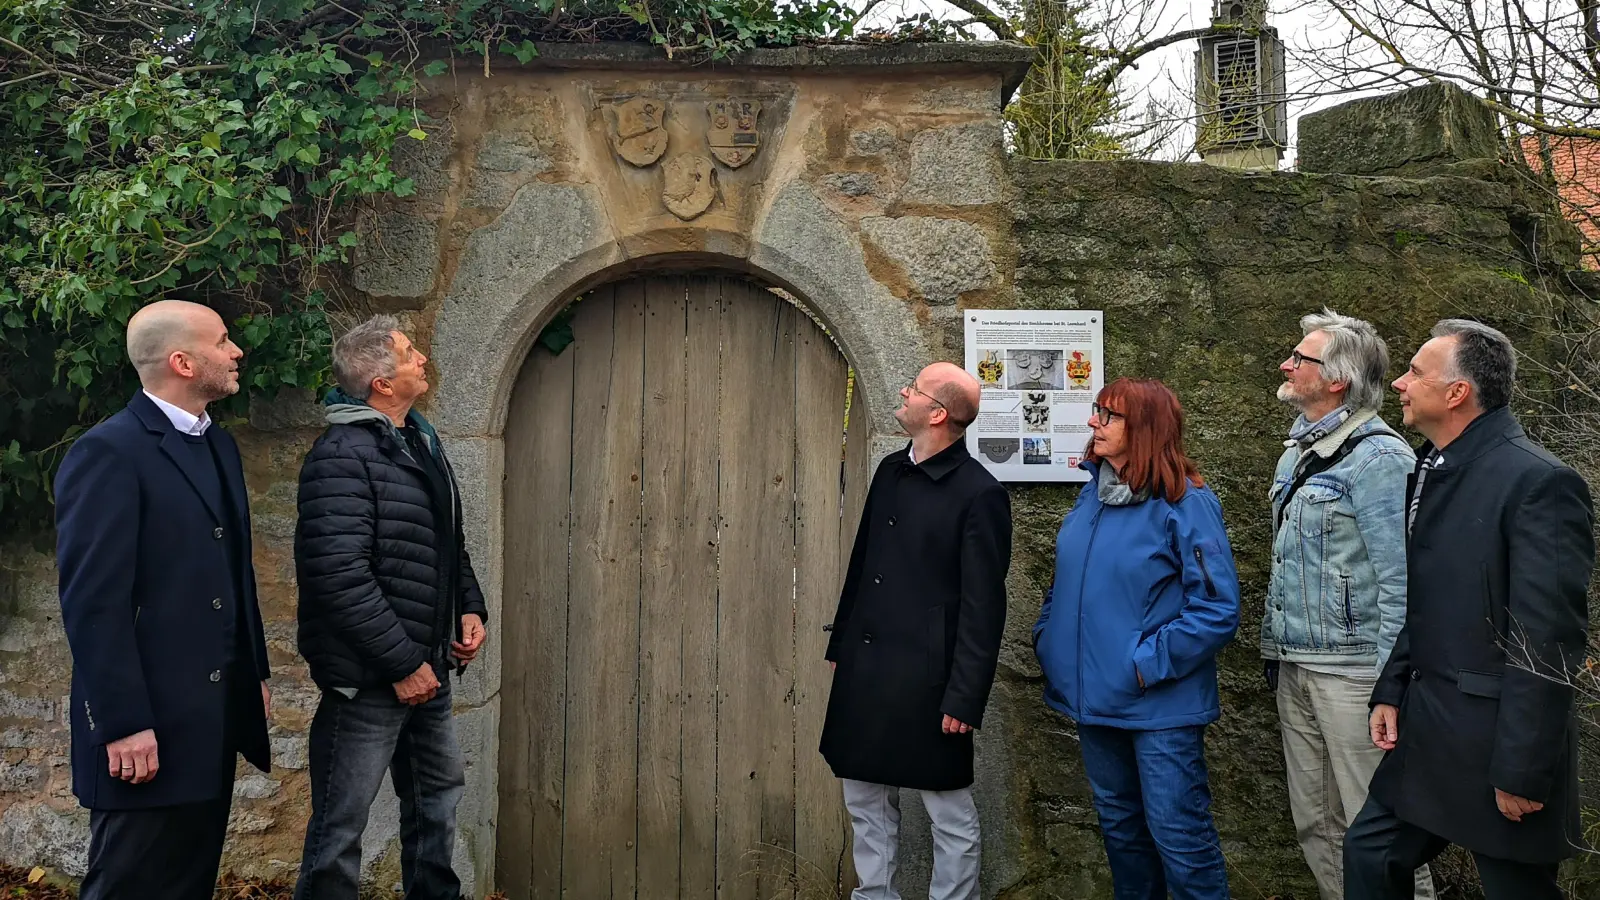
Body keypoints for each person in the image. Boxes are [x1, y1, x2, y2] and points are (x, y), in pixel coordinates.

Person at [1344, 320, 1594, 900]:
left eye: (1414, 372)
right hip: (1429, 730)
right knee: (1371, 854)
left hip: (1497, 742)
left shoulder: (1540, 483)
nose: (1400, 384)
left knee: (1516, 890)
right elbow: (1430, 600)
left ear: (1457, 393)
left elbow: (1548, 639)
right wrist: (1393, 687)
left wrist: (1523, 769)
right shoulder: (1434, 466)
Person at [55, 300, 272, 900]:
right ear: (182, 360)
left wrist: (251, 671)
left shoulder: (218, 447)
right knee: (128, 886)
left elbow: (233, 574)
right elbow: (94, 604)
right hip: (145, 729)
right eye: (222, 341)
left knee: (188, 883)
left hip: (213, 716)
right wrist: (124, 724)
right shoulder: (109, 452)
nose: (236, 352)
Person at [292, 315, 488, 900]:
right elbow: (337, 575)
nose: (422, 358)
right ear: (380, 381)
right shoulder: (341, 456)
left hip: (429, 669)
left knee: (437, 807)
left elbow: (445, 543)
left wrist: (467, 610)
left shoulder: (419, 440)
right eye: (409, 353)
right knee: (339, 830)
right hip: (371, 680)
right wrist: (402, 665)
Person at [1034, 377, 1240, 900]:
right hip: (1093, 702)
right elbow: (1064, 584)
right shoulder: (1092, 496)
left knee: (1181, 842)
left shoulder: (1185, 503)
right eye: (1097, 412)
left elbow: (1216, 608)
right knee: (1122, 836)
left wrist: (1144, 664)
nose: (1092, 423)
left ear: (1145, 429)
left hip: (1159, 709)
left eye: (1108, 415)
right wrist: (1050, 642)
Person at [820, 362, 1011, 900]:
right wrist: (842, 645)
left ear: (937, 413)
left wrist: (965, 696)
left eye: (915, 388)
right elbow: (863, 564)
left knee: (947, 807)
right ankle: (874, 895)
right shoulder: (888, 470)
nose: (903, 392)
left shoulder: (980, 493)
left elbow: (984, 608)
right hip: (867, 664)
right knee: (863, 796)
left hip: (930, 678)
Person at [1262, 311, 1433, 900]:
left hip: (1357, 675)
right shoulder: (1295, 454)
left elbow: (1401, 581)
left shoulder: (1382, 459)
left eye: (1300, 358)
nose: (1286, 365)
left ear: (1337, 379)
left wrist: (1393, 683)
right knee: (1317, 824)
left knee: (1377, 830)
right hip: (1296, 664)